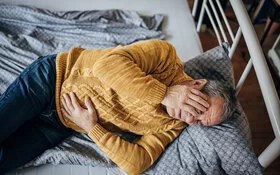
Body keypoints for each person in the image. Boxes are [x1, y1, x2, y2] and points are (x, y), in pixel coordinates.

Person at [0, 40, 229, 175]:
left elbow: (136, 164)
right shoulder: (165, 57)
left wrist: (92, 128)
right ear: (197, 85)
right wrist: (165, 94)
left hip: (59, 124)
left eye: (198, 123)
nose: (190, 120)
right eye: (198, 110)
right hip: (52, 80)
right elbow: (107, 66)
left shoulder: (173, 125)